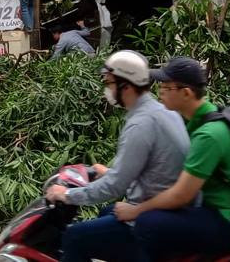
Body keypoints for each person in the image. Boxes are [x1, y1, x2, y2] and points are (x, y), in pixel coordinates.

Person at [114, 57, 230, 262]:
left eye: (166, 87)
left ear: (186, 93)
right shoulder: (205, 117)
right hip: (222, 209)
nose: (160, 92)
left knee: (148, 223)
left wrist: (135, 211)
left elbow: (181, 195)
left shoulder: (208, 135)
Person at [45, 50, 190, 262]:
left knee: (74, 237)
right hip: (165, 210)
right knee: (107, 212)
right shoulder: (163, 112)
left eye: (109, 83)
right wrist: (109, 172)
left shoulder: (140, 124)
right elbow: (151, 168)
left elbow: (114, 187)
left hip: (149, 221)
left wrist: (66, 194)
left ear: (126, 86)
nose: (108, 89)